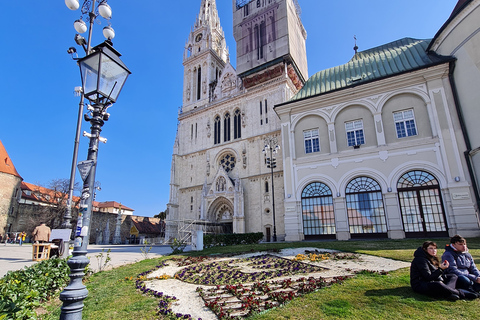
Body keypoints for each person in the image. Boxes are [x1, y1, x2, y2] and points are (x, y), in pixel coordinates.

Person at [410, 241, 477, 300]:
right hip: (421, 284)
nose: (434, 250)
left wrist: (442, 272)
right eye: (431, 248)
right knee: (438, 284)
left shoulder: (431, 258)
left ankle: (448, 293)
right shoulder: (420, 260)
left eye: (435, 248)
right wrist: (441, 269)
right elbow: (428, 277)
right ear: (425, 249)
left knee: (453, 276)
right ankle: (461, 293)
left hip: (433, 280)